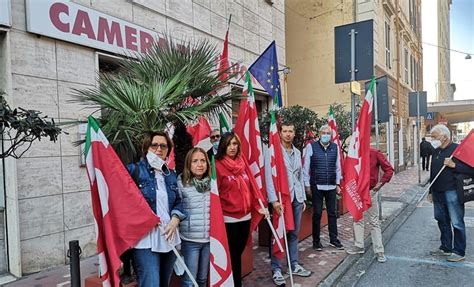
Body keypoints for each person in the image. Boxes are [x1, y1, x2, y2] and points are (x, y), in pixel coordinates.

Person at [126, 132, 186, 287]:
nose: (159, 149)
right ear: (147, 147)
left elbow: (178, 202)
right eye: (155, 145)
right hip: (145, 240)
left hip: (168, 237)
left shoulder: (170, 174)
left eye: (163, 146)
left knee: (164, 283)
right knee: (151, 283)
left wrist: (175, 219)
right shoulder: (134, 170)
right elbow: (120, 198)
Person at [215, 132, 268, 287]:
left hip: (245, 217)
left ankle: (235, 281)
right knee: (231, 255)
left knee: (237, 254)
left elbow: (251, 190)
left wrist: (259, 206)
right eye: (229, 144)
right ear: (223, 146)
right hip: (228, 219)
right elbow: (215, 194)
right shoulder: (217, 166)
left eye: (235, 144)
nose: (232, 147)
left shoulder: (242, 164)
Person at [265, 121, 312, 285]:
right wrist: (273, 200)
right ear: (280, 133)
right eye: (285, 131)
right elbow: (269, 178)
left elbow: (299, 176)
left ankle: (293, 265)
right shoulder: (273, 152)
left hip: (296, 199)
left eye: (291, 131)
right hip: (281, 200)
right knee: (279, 233)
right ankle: (276, 268)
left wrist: (303, 198)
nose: (288, 134)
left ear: (294, 133)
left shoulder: (297, 152)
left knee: (293, 234)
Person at [428, 124, 473, 262]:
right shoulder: (436, 151)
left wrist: (454, 165)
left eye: (434, 137)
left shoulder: (457, 150)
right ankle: (446, 247)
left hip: (452, 191)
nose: (432, 139)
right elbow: (433, 171)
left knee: (457, 222)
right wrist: (430, 190)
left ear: (444, 137)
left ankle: (459, 251)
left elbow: (471, 169)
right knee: (441, 220)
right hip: (437, 192)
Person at [346, 148, 394, 263]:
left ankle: (379, 250)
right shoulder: (353, 153)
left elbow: (389, 169)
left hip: (370, 191)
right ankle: (359, 246)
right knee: (357, 219)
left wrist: (380, 183)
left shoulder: (375, 153)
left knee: (374, 220)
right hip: (357, 192)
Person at [304, 124, 344, 251]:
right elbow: (306, 168)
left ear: (331, 136)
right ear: (319, 134)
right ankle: (316, 242)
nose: (326, 135)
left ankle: (334, 240)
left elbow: (338, 167)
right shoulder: (311, 147)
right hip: (317, 185)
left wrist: (337, 183)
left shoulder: (335, 147)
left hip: (331, 185)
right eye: (323, 133)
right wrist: (307, 185)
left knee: (332, 213)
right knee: (317, 213)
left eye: (328, 133)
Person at [178, 148, 211, 287]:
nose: (200, 164)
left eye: (203, 160)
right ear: (189, 164)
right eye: (195, 161)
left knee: (202, 279)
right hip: (190, 240)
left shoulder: (212, 184)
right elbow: (176, 208)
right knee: (189, 281)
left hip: (209, 240)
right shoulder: (181, 183)